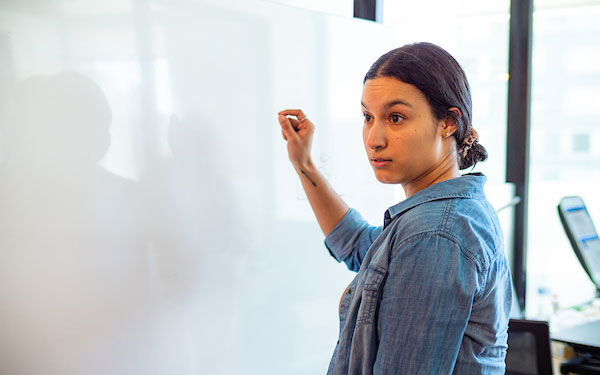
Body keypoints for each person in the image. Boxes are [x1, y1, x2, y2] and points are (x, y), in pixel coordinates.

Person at [277, 42, 512, 374]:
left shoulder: (434, 234)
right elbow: (360, 246)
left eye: (396, 117)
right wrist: (304, 164)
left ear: (447, 122)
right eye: (367, 117)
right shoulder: (445, 215)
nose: (374, 138)